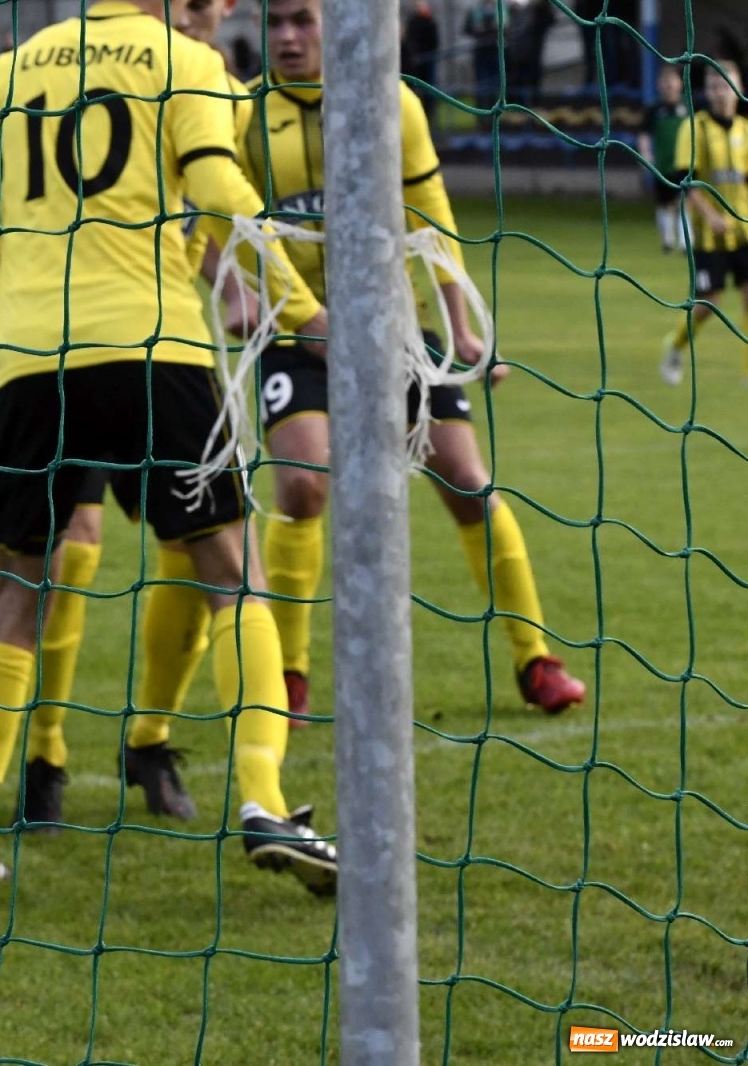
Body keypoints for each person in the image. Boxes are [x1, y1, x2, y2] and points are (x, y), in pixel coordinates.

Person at [0, 0, 337, 895]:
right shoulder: (182, 61)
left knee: (16, 588)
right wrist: (308, 315)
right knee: (232, 572)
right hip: (153, 348)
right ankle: (265, 800)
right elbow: (223, 196)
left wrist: (22, 281)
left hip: (30, 359)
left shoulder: (15, 64)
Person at [240, 0, 587, 728]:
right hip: (296, 326)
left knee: (466, 481)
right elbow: (219, 222)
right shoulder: (244, 114)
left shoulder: (391, 99)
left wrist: (461, 330)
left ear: (339, 27)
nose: (289, 38)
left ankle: (537, 658)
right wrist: (249, 294)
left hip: (394, 326)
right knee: (303, 486)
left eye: (303, 21)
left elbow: (432, 219)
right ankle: (291, 676)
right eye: (276, 25)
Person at [15, 0, 272, 835]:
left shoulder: (214, 91)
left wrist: (231, 282)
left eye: (218, 8)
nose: (208, 17)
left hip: (143, 342)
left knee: (194, 553)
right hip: (83, 340)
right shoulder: (118, 71)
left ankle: (150, 739)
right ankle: (43, 755)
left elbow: (191, 223)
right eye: (196, 4)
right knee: (69, 548)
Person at [661, 62, 748, 387]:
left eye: (726, 84)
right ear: (707, 91)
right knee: (709, 303)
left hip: (744, 231)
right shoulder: (694, 127)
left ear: (738, 87)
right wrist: (712, 216)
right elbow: (685, 181)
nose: (720, 91)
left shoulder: (745, 129)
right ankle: (675, 344)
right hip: (709, 234)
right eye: (714, 86)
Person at [641, 65, 691, 254]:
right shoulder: (654, 109)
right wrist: (646, 154)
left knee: (684, 201)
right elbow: (644, 134)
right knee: (664, 203)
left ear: (680, 83)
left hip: (684, 162)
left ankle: (686, 242)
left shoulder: (688, 107)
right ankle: (667, 240)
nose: (669, 85)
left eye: (672, 80)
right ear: (659, 84)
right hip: (662, 164)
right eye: (665, 81)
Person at [402, 1, 441, 114]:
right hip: (415, 61)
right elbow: (410, 41)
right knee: (416, 89)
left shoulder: (430, 22)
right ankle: (419, 112)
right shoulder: (413, 22)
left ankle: (429, 114)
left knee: (429, 89)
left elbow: (434, 42)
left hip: (427, 60)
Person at [463, 0, 505, 106]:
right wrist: (478, 29)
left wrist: (496, 28)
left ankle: (494, 108)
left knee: (495, 82)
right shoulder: (476, 10)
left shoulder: (501, 9)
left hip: (495, 50)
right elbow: (466, 28)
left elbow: (507, 27)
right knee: (481, 82)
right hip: (481, 51)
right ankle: (482, 112)